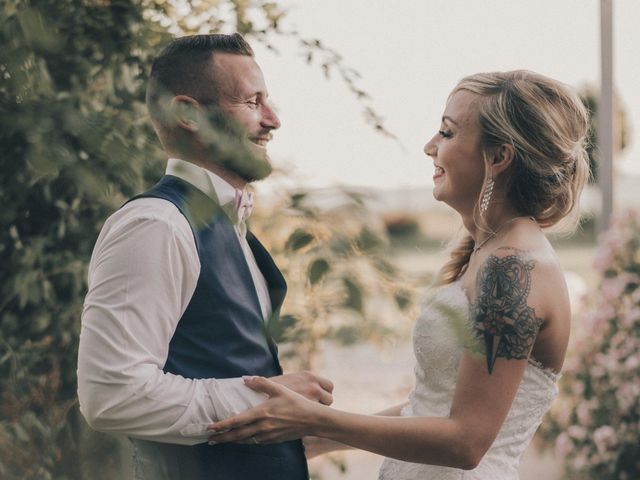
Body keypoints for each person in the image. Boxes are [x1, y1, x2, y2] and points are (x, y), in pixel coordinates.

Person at [206, 70, 590, 479]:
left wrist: (313, 419)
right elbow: (430, 407)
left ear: (498, 157)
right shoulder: (491, 254)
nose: (429, 147)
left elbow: (466, 442)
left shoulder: (512, 270)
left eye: (447, 133)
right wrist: (310, 443)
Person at [77, 33, 334, 480]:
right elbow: (111, 397)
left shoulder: (229, 228)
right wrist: (265, 397)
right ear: (188, 113)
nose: (273, 120)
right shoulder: (156, 225)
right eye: (253, 102)